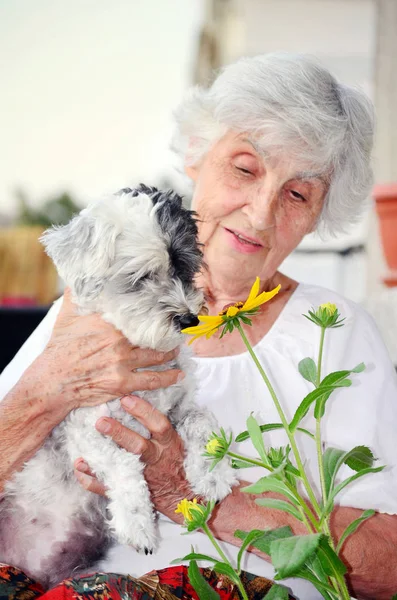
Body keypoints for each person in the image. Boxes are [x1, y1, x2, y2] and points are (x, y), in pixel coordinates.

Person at [1, 53, 397, 600]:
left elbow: (390, 563)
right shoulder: (92, 299)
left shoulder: (334, 334)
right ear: (195, 153)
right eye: (245, 167)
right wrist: (46, 391)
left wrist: (189, 489)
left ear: (319, 214)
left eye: (298, 193)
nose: (260, 213)